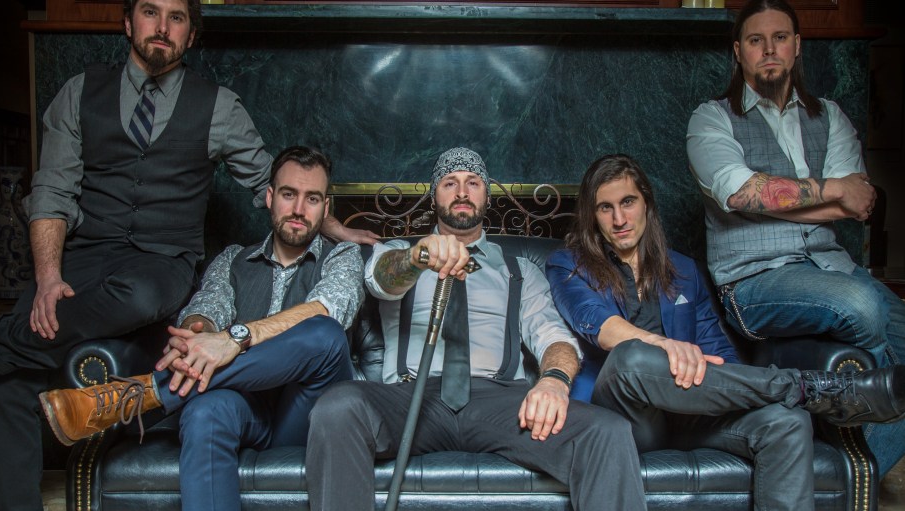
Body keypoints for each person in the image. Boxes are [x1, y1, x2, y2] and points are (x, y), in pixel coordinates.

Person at [546, 153, 905, 511]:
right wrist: (667, 346)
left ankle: (799, 395)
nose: (619, 219)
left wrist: (723, 382)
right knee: (632, 356)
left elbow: (719, 352)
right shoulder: (568, 265)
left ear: (647, 204)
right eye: (605, 208)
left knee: (788, 420)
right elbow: (597, 323)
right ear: (592, 216)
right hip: (623, 417)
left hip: (688, 412)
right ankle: (804, 387)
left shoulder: (684, 270)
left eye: (628, 202)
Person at [304, 147, 647, 510]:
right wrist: (419, 256)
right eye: (449, 183)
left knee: (607, 432)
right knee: (338, 408)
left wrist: (554, 381)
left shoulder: (520, 270)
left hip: (502, 401)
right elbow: (381, 280)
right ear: (434, 197)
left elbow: (554, 337)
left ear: (487, 196)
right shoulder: (400, 252)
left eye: (473, 183)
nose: (462, 192)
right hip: (411, 398)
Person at [38, 146, 364, 511]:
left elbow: (327, 309)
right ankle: (153, 393)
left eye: (312, 199)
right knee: (205, 411)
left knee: (324, 333)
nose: (299, 209)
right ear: (270, 198)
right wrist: (196, 336)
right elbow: (206, 311)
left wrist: (234, 338)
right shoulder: (233, 259)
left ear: (325, 207)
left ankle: (147, 393)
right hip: (244, 407)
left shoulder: (343, 257)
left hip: (309, 415)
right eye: (289, 194)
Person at [685, 0, 905, 476]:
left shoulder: (830, 115)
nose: (769, 49)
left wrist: (772, 198)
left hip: (832, 266)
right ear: (738, 52)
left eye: (780, 38)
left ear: (797, 46)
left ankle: (856, 481)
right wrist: (831, 192)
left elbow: (857, 203)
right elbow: (741, 193)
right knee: (864, 305)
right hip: (754, 282)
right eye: (756, 40)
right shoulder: (711, 118)